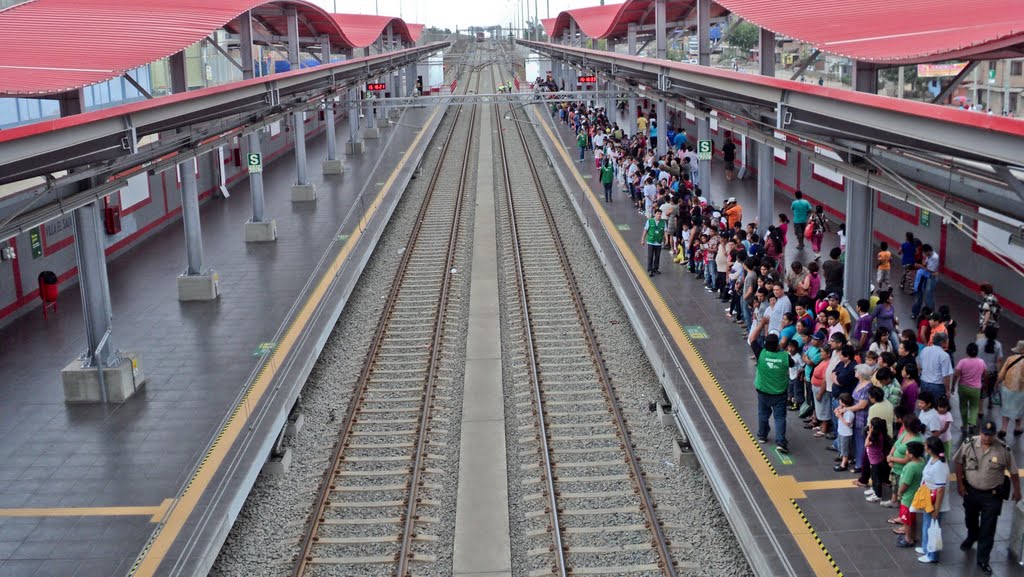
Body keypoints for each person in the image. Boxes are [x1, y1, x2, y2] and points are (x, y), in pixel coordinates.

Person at [954, 420, 1022, 575]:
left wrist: (1017, 491)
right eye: (984, 434)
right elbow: (958, 462)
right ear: (980, 432)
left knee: (988, 528)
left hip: (992, 495)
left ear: (995, 434)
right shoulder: (969, 443)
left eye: (990, 435)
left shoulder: (1004, 449)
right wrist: (960, 484)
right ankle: (972, 536)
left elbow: (1013, 472)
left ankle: (983, 559)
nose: (987, 438)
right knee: (970, 519)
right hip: (971, 492)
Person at [755, 333, 792, 453]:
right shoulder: (784, 356)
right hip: (779, 393)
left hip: (763, 391)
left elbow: (752, 339)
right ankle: (781, 442)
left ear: (766, 344)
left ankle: (762, 435)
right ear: (777, 344)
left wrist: (762, 323)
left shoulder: (761, 353)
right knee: (780, 418)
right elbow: (792, 363)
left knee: (763, 414)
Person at [917, 436, 950, 564]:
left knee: (932, 527)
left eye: (926, 446)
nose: (924, 447)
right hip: (928, 498)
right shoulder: (933, 459)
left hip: (935, 501)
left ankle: (932, 555)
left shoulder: (940, 466)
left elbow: (940, 489)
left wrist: (937, 509)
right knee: (926, 525)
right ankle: (926, 548)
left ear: (930, 449)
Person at [895, 440, 925, 548]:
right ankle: (914, 536)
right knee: (913, 518)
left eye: (907, 451)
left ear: (911, 454)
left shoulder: (911, 467)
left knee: (907, 519)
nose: (906, 452)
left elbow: (906, 483)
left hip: (908, 497)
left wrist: (899, 492)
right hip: (915, 495)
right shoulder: (921, 461)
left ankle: (908, 538)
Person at [955, 342, 987, 435]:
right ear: (977, 352)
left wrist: (953, 386)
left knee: (963, 406)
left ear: (967, 352)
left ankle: (964, 426)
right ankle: (972, 423)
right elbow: (985, 375)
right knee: (974, 407)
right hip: (976, 389)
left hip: (963, 388)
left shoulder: (962, 361)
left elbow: (956, 375)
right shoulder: (981, 362)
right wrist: (985, 385)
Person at [997, 341, 1024, 438]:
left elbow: (1002, 374)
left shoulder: (1010, 359)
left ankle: (1003, 429)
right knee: (1019, 409)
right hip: (1021, 390)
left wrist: (996, 383)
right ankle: (1017, 428)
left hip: (1007, 388)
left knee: (1006, 408)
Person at [864, 416, 892, 502]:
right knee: (874, 476)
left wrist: (869, 433)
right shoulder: (879, 433)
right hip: (874, 459)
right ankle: (874, 489)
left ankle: (877, 495)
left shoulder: (876, 436)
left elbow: (866, 444)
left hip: (875, 461)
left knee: (876, 478)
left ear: (873, 427)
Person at [919, 332, 953, 401]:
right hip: (937, 386)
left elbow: (920, 367)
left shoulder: (924, 350)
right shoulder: (944, 355)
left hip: (924, 383)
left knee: (925, 407)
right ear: (943, 342)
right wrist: (948, 390)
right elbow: (946, 376)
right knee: (936, 408)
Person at [911, 244, 940, 319]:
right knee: (926, 297)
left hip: (927, 279)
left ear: (928, 251)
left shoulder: (934, 258)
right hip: (924, 281)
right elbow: (927, 266)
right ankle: (928, 313)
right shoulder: (928, 257)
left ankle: (930, 313)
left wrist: (920, 266)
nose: (924, 255)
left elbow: (931, 270)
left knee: (928, 297)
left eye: (924, 253)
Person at [834, 392, 855, 471]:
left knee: (845, 449)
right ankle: (844, 460)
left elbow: (848, 423)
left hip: (846, 433)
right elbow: (835, 411)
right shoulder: (843, 409)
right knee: (841, 447)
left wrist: (840, 416)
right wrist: (839, 408)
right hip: (841, 432)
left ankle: (843, 464)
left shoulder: (849, 413)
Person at [642, 208, 666, 277]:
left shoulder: (663, 222)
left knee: (657, 256)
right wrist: (642, 239)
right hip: (651, 241)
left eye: (660, 214)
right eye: (658, 214)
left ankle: (656, 268)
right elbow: (645, 230)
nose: (659, 215)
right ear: (654, 214)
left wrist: (666, 239)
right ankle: (650, 270)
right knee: (650, 256)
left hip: (658, 242)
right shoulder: (649, 221)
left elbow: (665, 231)